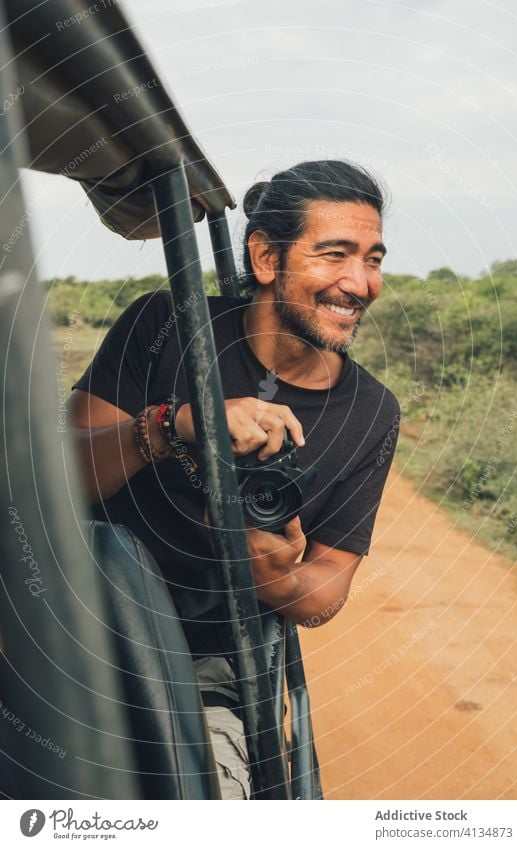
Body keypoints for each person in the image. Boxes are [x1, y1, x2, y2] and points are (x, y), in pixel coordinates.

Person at [69, 159, 400, 799]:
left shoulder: (370, 411)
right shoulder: (163, 327)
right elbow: (53, 481)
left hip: (210, 668)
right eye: (334, 255)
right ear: (266, 257)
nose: (358, 283)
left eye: (373, 259)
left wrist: (264, 566)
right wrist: (173, 427)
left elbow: (325, 589)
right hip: (78, 626)